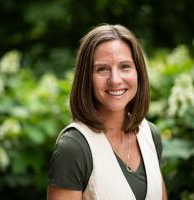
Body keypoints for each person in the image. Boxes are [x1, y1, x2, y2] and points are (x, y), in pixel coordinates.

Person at [47, 24, 167, 200]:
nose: (115, 80)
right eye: (102, 69)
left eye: (125, 66)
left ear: (139, 73)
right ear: (86, 77)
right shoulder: (73, 148)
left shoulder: (150, 134)